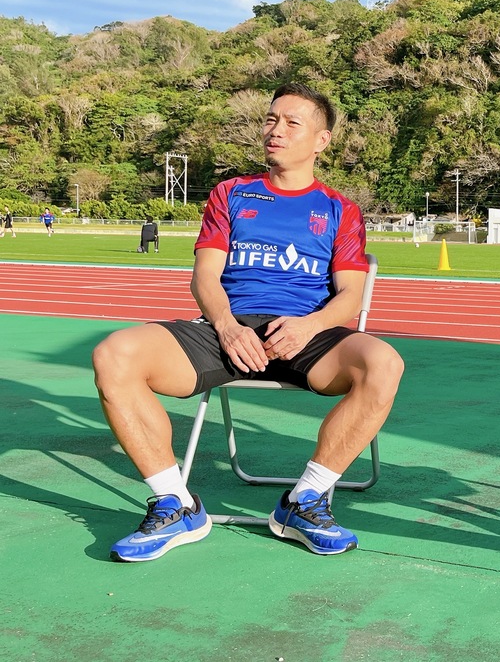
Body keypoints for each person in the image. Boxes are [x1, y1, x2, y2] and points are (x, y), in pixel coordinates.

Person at [92, 83, 405, 562]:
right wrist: (227, 326)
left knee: (384, 364)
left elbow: (350, 296)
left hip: (305, 335)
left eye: (292, 123)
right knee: (114, 354)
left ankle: (305, 500)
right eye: (271, 119)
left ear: (321, 141)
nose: (275, 130)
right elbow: (205, 277)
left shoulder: (340, 209)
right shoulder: (232, 193)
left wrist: (308, 326)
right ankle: (175, 503)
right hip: (227, 331)